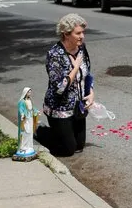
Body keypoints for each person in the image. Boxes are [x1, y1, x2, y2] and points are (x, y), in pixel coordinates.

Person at [38, 13, 94, 156]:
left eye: (83, 32)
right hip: (59, 108)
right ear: (66, 34)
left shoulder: (81, 48)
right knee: (67, 150)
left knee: (79, 146)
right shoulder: (55, 54)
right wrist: (74, 68)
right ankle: (39, 131)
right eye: (78, 33)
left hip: (77, 106)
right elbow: (59, 88)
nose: (82, 36)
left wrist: (91, 93)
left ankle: (62, 135)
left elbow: (87, 74)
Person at [13, 87, 39, 161]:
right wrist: (22, 115)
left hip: (30, 118)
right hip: (25, 119)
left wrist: (36, 111)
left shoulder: (29, 100)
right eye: (29, 92)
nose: (30, 93)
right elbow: (21, 109)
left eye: (30, 92)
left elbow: (32, 108)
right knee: (25, 132)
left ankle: (29, 146)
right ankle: (23, 147)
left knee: (30, 132)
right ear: (25, 93)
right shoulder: (22, 102)